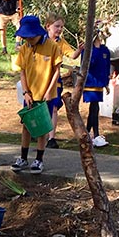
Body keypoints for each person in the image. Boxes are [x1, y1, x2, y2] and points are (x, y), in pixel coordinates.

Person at [11, 15, 63, 175]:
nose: (29, 39)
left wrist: (48, 92)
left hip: (46, 95)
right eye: (26, 37)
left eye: (31, 36)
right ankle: (23, 157)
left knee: (42, 128)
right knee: (26, 126)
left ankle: (39, 159)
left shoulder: (52, 46)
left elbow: (56, 71)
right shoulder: (25, 48)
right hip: (30, 95)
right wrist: (26, 92)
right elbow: (23, 72)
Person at [43, 14, 80, 148]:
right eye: (56, 26)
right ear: (48, 26)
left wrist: (80, 49)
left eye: (61, 27)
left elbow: (72, 55)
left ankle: (52, 138)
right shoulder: (41, 39)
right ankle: (40, 134)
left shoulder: (61, 42)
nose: (59, 29)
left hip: (55, 78)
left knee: (53, 108)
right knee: (41, 107)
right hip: (41, 79)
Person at [82, 27, 113, 148]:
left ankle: (87, 133)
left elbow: (106, 67)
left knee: (94, 109)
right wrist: (96, 49)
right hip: (90, 83)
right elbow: (89, 64)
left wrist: (106, 83)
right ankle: (95, 135)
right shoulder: (88, 50)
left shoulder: (106, 50)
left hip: (100, 83)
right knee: (94, 107)